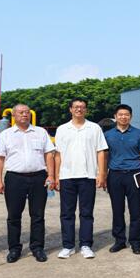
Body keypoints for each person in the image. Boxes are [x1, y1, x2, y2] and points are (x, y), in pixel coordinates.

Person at [0, 104, 56, 263]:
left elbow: (49, 155)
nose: (24, 115)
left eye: (27, 112)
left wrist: (51, 175)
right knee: (14, 216)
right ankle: (14, 248)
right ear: (14, 115)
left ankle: (37, 247)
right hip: (15, 179)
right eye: (21, 112)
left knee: (38, 215)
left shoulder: (40, 132)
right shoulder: (6, 134)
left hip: (39, 178)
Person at [54, 98, 108, 259]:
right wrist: (56, 176)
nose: (79, 109)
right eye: (76, 107)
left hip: (88, 176)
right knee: (67, 213)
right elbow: (58, 154)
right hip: (67, 176)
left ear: (86, 110)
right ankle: (68, 246)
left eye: (82, 107)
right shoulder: (62, 129)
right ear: (70, 109)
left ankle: (86, 245)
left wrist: (101, 174)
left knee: (86, 213)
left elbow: (101, 151)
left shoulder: (94, 128)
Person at [103, 104, 140, 255]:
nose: (123, 117)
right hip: (114, 175)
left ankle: (136, 242)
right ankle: (119, 241)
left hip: (134, 175)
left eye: (127, 114)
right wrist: (103, 176)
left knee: (135, 210)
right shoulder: (108, 135)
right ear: (115, 116)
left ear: (131, 116)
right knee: (117, 209)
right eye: (120, 114)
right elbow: (104, 156)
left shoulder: (138, 133)